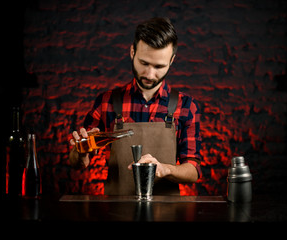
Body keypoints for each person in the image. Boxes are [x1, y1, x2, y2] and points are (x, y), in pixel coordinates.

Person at [69, 17, 202, 195]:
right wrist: (81, 152)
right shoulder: (107, 102)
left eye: (159, 66)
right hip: (116, 211)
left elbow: (193, 170)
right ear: (132, 52)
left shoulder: (186, 106)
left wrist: (165, 169)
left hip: (167, 213)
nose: (149, 74)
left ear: (171, 61)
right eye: (144, 63)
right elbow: (78, 164)